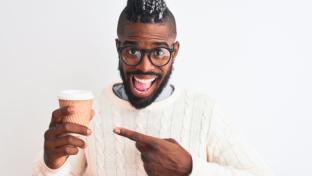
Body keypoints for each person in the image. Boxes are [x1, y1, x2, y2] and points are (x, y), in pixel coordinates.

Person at [32, 0, 273, 175]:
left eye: (159, 52)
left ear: (175, 52)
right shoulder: (91, 111)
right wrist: (51, 164)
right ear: (118, 48)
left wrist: (190, 168)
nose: (145, 67)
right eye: (132, 51)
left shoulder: (204, 111)